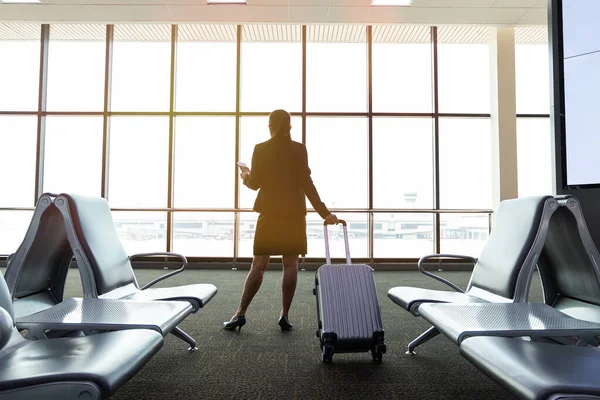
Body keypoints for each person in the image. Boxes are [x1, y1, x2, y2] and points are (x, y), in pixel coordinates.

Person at [223, 109, 338, 332]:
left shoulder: (261, 149)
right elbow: (307, 184)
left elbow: (255, 183)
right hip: (294, 214)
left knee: (258, 265)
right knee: (291, 265)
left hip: (270, 213)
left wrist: (245, 177)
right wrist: (325, 213)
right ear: (289, 127)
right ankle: (284, 315)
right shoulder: (299, 149)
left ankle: (240, 313)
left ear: (270, 126)